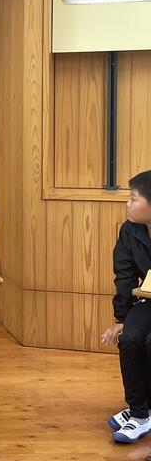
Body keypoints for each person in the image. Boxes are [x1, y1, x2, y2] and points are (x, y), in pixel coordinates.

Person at [101, 170, 151, 443]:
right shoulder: (130, 231)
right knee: (130, 338)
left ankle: (144, 409)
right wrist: (121, 318)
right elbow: (125, 276)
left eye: (133, 198)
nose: (127, 204)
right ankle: (139, 413)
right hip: (148, 300)